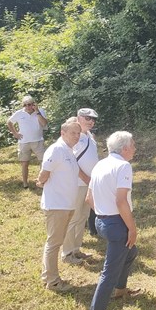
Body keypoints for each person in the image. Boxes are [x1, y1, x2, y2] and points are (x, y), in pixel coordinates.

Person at [87, 131, 140, 310]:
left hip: (102, 221)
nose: (135, 148)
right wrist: (132, 229)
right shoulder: (123, 166)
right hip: (116, 223)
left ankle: (120, 289)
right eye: (133, 145)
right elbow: (121, 201)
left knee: (131, 252)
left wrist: (102, 213)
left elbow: (88, 198)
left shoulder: (101, 164)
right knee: (109, 270)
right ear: (125, 148)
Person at [36, 117, 82, 292]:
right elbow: (44, 173)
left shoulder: (69, 150)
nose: (76, 136)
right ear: (63, 133)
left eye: (78, 133)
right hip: (57, 205)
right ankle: (53, 281)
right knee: (54, 243)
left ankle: (48, 275)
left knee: (56, 242)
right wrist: (40, 182)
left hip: (67, 204)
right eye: (73, 133)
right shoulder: (56, 149)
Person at [61, 108, 100, 266]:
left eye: (93, 119)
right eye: (87, 118)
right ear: (79, 118)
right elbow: (71, 161)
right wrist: (86, 179)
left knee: (82, 217)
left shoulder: (89, 135)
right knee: (74, 218)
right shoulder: (74, 136)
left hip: (88, 184)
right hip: (78, 183)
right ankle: (67, 253)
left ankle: (76, 249)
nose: (91, 121)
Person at [7, 95, 48, 188]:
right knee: (24, 163)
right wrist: (15, 133)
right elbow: (9, 122)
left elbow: (44, 123)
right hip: (23, 142)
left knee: (43, 161)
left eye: (29, 104)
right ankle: (25, 183)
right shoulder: (19, 113)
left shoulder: (40, 111)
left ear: (34, 104)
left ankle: (41, 181)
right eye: (25, 105)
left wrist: (37, 111)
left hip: (38, 141)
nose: (27, 107)